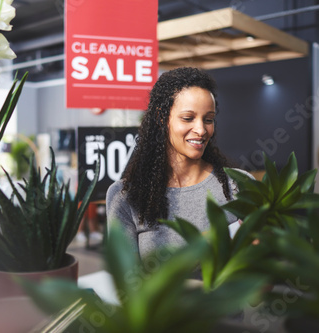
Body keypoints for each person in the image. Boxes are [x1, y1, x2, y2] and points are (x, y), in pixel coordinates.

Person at [106, 67, 249, 259]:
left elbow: (264, 277)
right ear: (161, 117)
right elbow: (127, 283)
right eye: (188, 118)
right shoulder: (125, 196)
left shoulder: (238, 185)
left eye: (208, 119)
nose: (201, 129)